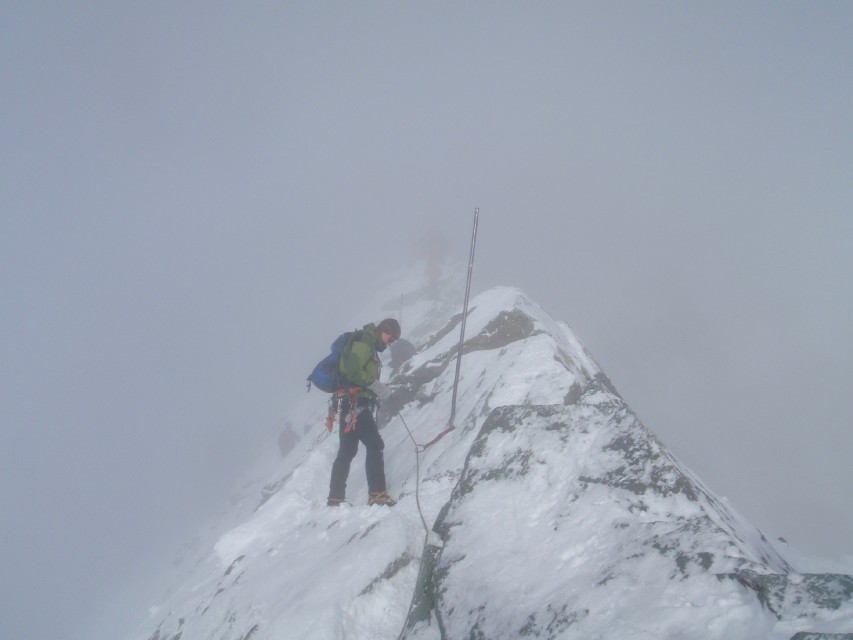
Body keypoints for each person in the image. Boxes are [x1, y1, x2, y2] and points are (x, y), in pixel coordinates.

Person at [327, 318, 401, 507]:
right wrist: (375, 385)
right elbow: (353, 371)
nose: (389, 343)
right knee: (375, 444)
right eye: (390, 339)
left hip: (347, 402)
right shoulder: (365, 341)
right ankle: (377, 495)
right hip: (355, 401)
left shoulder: (369, 344)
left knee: (347, 450)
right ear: (384, 330)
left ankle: (335, 500)